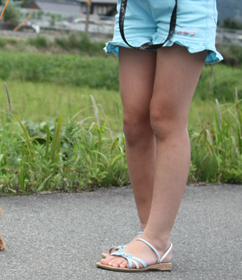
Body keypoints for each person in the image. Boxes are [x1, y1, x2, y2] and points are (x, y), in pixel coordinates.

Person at [97, 0, 223, 272]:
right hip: (136, 6)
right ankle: (148, 235)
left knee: (165, 119)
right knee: (135, 121)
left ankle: (157, 238)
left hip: (185, 5)